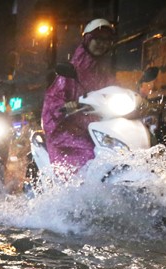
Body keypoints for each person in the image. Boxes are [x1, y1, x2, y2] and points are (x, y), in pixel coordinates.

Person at [41, 18, 117, 172]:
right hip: (68, 130)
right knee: (91, 154)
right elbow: (52, 101)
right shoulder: (71, 70)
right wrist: (65, 107)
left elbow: (115, 90)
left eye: (106, 40)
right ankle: (77, 192)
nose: (102, 44)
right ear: (87, 39)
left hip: (97, 128)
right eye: (97, 39)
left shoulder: (104, 71)